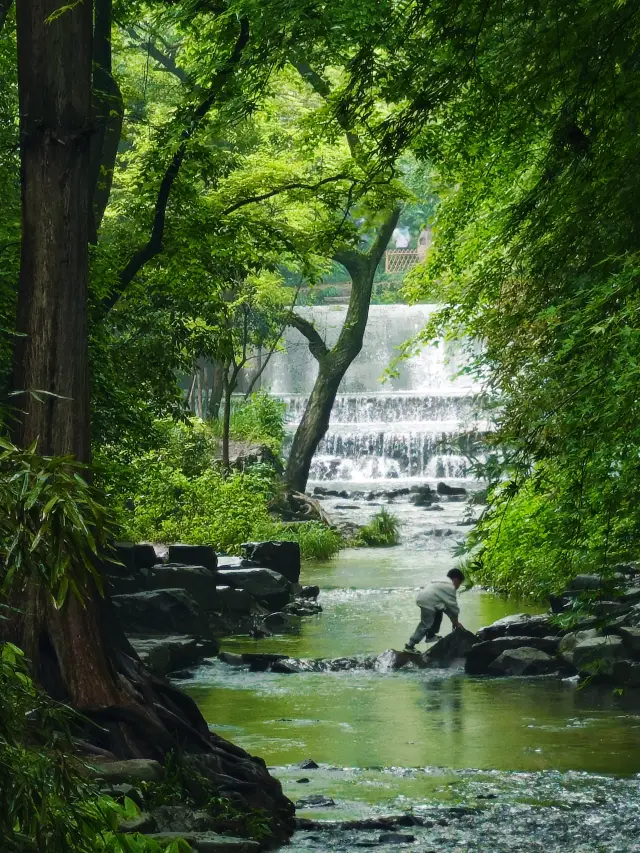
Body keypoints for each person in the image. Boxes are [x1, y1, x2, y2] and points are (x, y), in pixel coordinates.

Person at [405, 568, 465, 651]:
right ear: (455, 579)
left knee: (439, 610)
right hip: (428, 601)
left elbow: (447, 608)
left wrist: (454, 621)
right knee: (426, 624)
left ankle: (430, 636)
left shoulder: (441, 582)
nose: (459, 586)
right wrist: (456, 622)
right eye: (460, 582)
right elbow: (453, 607)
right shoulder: (450, 587)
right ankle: (410, 645)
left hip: (425, 598)